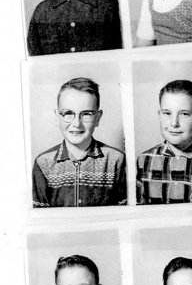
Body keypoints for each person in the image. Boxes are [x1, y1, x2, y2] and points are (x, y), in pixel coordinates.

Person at [33, 77, 126, 208]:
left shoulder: (116, 160)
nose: (76, 123)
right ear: (57, 117)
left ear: (98, 118)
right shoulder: (44, 163)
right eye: (68, 113)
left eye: (86, 114)